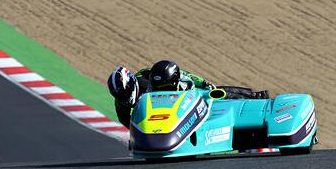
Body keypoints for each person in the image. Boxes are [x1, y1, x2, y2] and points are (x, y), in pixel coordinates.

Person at [107, 60, 269, 128]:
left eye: (124, 92)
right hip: (163, 115)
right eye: (119, 95)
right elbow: (126, 121)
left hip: (182, 95)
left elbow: (180, 72)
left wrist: (202, 82)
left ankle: (254, 97)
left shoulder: (146, 76)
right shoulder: (121, 101)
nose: (123, 97)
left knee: (214, 94)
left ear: (132, 83)